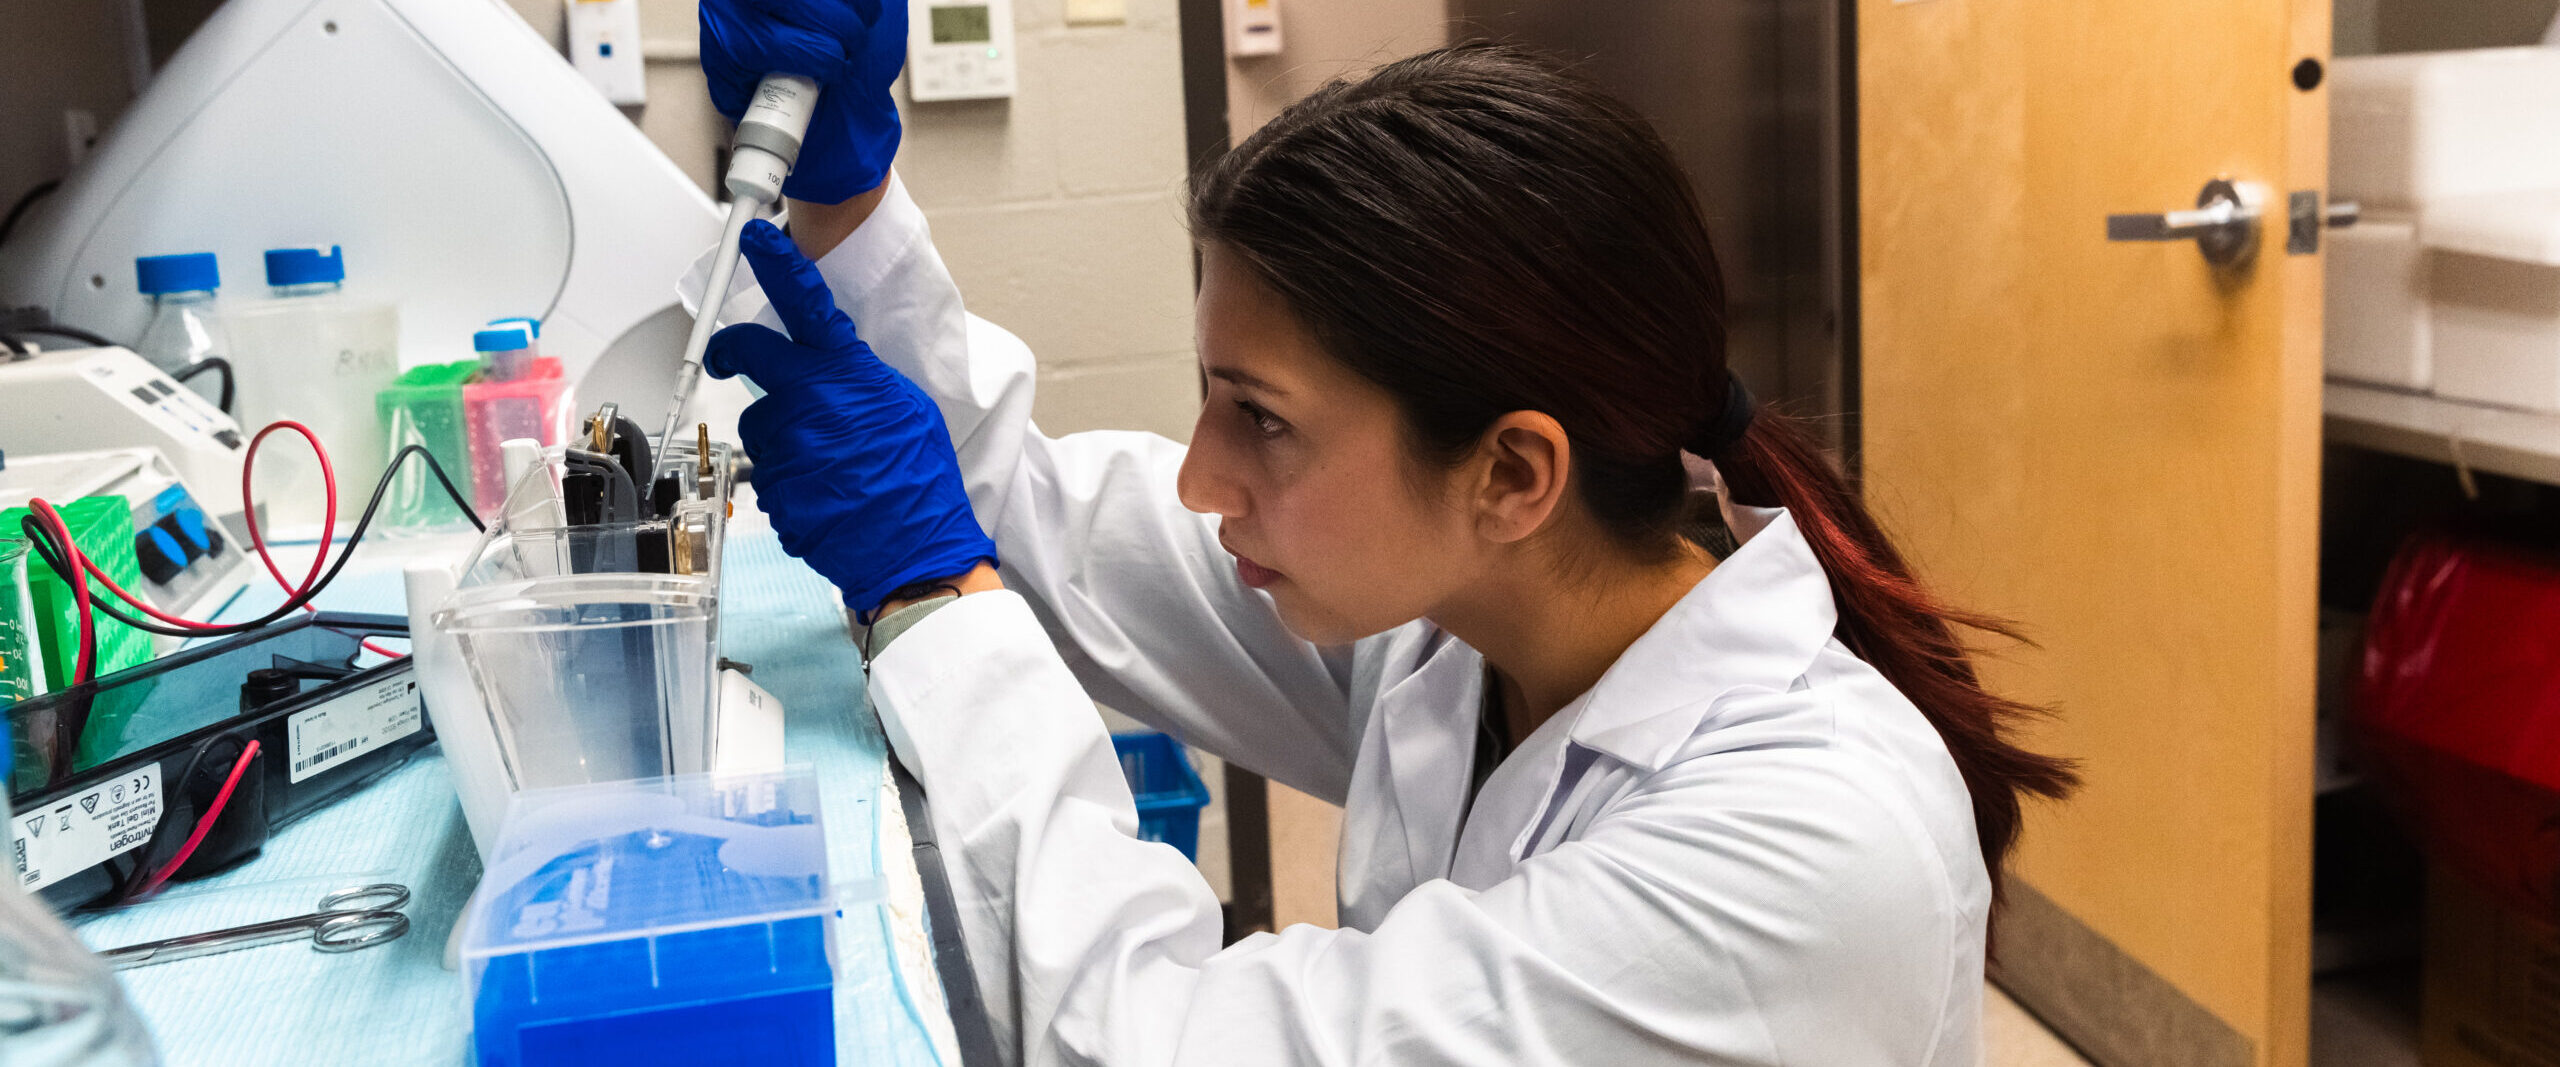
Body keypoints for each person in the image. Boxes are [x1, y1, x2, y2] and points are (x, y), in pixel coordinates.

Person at [697, 4, 2076, 1063]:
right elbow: (1036, 524)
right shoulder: (1477, 630)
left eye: (1263, 420)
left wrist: (935, 597)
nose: (1201, 478)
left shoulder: (1804, 842)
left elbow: (1153, 1040)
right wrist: (848, 202)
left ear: (1514, 473)